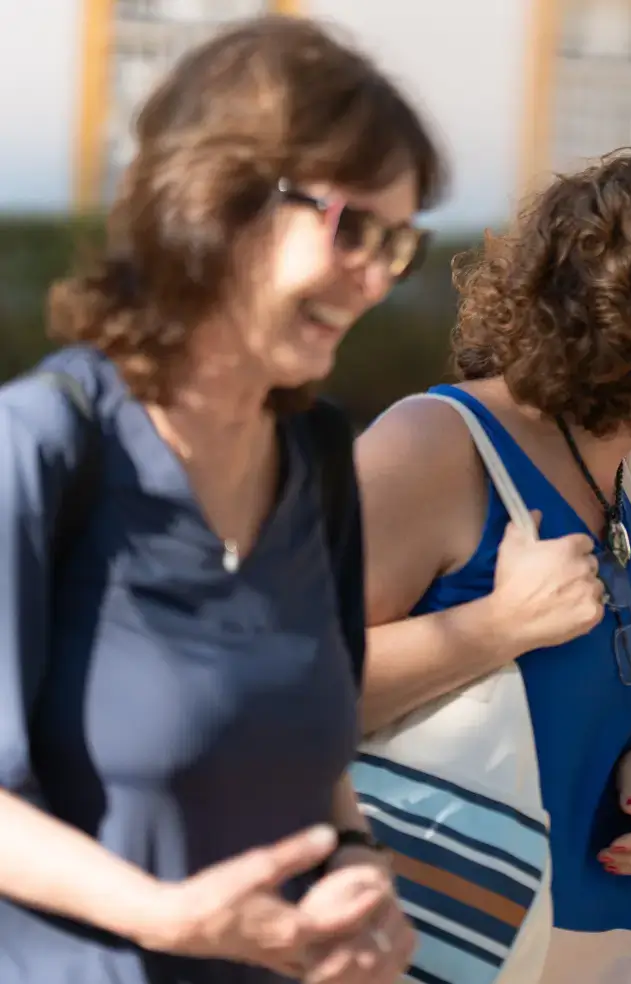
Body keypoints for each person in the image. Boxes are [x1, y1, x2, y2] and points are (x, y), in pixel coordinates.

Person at [0, 16, 444, 984]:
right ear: (216, 201)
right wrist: (166, 916)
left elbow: (307, 748)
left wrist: (359, 867)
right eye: (351, 229)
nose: (375, 278)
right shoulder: (36, 449)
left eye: (399, 242)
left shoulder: (321, 457)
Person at [356, 141, 631, 983]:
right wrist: (497, 626)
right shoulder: (434, 444)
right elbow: (278, 688)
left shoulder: (607, 461)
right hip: (426, 945)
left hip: (582, 944)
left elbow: (547, 688)